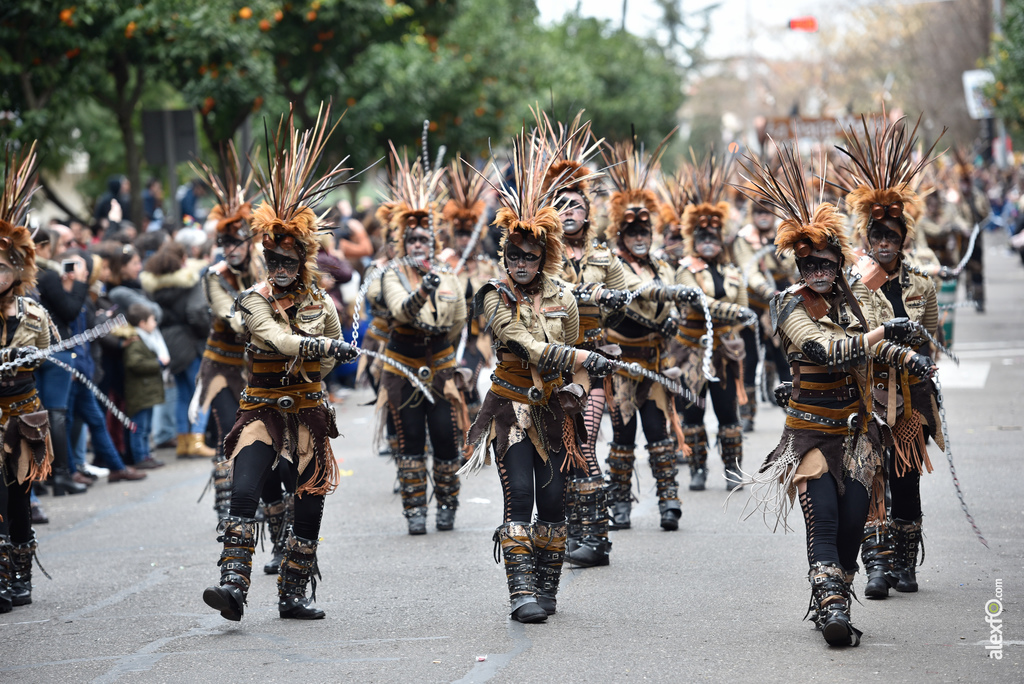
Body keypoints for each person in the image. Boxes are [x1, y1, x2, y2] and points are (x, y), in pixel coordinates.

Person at [737, 141, 933, 647]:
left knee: (852, 526)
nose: (818, 274)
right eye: (809, 267)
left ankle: (840, 586)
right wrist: (882, 336)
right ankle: (830, 607)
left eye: (825, 264)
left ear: (839, 261)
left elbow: (880, 348)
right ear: (798, 268)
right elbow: (823, 348)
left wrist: (908, 356)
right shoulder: (788, 305)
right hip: (809, 435)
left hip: (860, 434)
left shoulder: (862, 296)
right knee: (823, 517)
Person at [203, 107, 357, 622]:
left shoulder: (324, 304)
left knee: (308, 505)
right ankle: (233, 585)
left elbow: (335, 352)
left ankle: (294, 592)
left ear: (305, 261)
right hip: (261, 410)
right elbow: (272, 338)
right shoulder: (252, 299)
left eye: (289, 262)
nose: (280, 269)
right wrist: (316, 350)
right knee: (245, 488)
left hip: (309, 413)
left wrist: (329, 358)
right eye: (273, 261)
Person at [463, 130, 611, 623]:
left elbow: (574, 353)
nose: (521, 263)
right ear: (504, 255)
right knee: (520, 498)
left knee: (553, 500)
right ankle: (520, 594)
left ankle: (547, 590)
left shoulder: (564, 297)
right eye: (514, 255)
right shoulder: (492, 293)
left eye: (530, 255)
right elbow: (523, 342)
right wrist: (573, 356)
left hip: (552, 410)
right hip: (509, 408)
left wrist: (584, 373)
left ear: (544, 254)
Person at [836, 115, 944, 600]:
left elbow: (932, 336)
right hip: (864, 391)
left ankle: (904, 561)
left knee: (904, 478)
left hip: (911, 393)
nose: (884, 242)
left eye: (892, 235)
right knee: (868, 475)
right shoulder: (850, 282)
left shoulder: (922, 283)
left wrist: (921, 366)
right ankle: (876, 566)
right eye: (877, 235)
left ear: (903, 239)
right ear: (867, 236)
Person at [536, 110, 628, 567]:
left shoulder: (602, 255)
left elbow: (630, 296)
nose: (570, 212)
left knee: (584, 440)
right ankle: (575, 530)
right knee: (558, 444)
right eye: (562, 205)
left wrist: (605, 295)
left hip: (589, 363)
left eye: (577, 205)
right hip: (547, 363)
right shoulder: (538, 256)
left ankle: (596, 540)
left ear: (589, 212)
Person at [599, 134, 699, 532]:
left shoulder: (662, 265)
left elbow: (676, 299)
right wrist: (668, 297)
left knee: (659, 436)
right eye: (632, 231)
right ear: (621, 233)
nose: (640, 236)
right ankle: (620, 505)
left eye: (645, 231)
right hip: (623, 366)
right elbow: (634, 294)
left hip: (656, 364)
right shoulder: (612, 265)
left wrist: (677, 311)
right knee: (623, 439)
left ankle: (669, 502)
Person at [377, 144, 469, 535]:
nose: (417, 245)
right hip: (402, 369)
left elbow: (458, 320)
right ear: (403, 243)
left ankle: (448, 504)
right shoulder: (391, 274)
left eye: (423, 239)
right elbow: (400, 312)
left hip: (441, 367)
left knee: (446, 439)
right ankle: (415, 511)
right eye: (411, 239)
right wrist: (422, 292)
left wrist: (440, 344)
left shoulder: (449, 275)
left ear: (432, 241)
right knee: (410, 440)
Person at [671, 155, 754, 492]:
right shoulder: (684, 269)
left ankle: (733, 468)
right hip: (691, 351)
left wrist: (738, 320)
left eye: (714, 234)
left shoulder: (734, 272)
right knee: (692, 414)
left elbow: (745, 309)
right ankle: (697, 468)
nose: (708, 240)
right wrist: (734, 314)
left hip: (725, 351)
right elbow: (695, 302)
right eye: (702, 234)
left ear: (722, 239)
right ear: (694, 238)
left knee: (727, 413)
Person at [191, 147, 264, 526]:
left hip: (255, 367)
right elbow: (232, 317)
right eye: (226, 244)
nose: (231, 250)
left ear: (250, 242)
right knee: (227, 429)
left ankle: (256, 494)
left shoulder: (265, 268)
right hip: (221, 365)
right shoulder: (214, 276)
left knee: (258, 433)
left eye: (238, 242)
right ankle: (228, 505)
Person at [0, 142, 59, 609]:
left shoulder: (35, 314)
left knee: (17, 497)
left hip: (24, 416)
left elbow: (53, 353)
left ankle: (21, 573)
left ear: (18, 268)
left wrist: (30, 359)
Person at [33, 208, 90, 495]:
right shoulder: (47, 275)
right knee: (55, 413)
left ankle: (39, 477)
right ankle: (61, 475)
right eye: (64, 245)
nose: (67, 251)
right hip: (56, 349)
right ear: (45, 247)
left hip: (34, 350)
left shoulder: (33, 278)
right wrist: (80, 283)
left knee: (38, 412)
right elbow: (68, 311)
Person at [141, 241, 214, 458]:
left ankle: (183, 441)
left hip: (167, 345)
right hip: (190, 343)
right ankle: (198, 440)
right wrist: (205, 331)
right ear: (181, 260)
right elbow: (196, 312)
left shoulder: (152, 288)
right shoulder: (190, 282)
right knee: (201, 393)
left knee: (182, 394)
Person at [732, 199, 797, 432]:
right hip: (755, 304)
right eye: (758, 212)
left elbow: (792, 267)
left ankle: (793, 411)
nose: (763, 216)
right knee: (749, 359)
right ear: (752, 214)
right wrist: (768, 291)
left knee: (785, 357)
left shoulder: (783, 234)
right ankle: (747, 414)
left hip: (783, 303)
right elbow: (748, 271)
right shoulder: (743, 238)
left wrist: (783, 255)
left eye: (767, 212)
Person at [123, 303, 168, 469]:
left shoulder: (146, 339)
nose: (155, 324)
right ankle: (139, 457)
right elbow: (134, 363)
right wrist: (157, 363)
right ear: (142, 323)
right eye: (152, 320)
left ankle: (146, 455)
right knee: (139, 427)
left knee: (146, 427)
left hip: (146, 392)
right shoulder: (136, 341)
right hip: (139, 392)